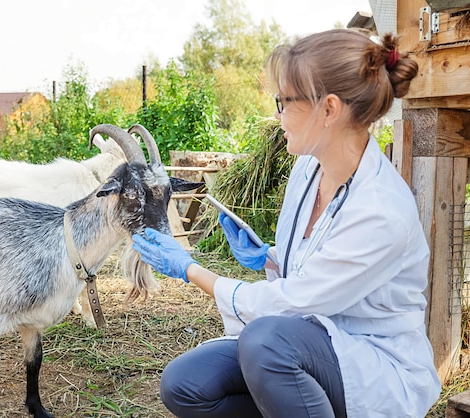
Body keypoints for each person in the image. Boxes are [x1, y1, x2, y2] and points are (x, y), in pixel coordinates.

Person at [131, 28, 441, 418]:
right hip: (307, 343)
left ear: (329, 109)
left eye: (285, 101)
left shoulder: (381, 210)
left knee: (265, 342)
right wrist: (268, 259)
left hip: (372, 364)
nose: (277, 114)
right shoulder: (308, 169)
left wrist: (190, 269)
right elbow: (322, 271)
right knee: (185, 383)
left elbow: (293, 303)